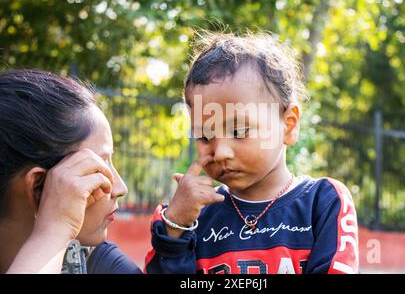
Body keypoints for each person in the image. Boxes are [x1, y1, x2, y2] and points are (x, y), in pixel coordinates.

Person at [144, 32, 359, 274]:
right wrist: (176, 229)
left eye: (238, 130)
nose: (221, 152)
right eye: (204, 136)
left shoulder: (323, 202)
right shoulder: (195, 217)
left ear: (288, 125)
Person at [0, 69, 141, 274]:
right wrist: (54, 231)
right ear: (38, 185)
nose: (120, 187)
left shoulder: (104, 267)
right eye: (98, 167)